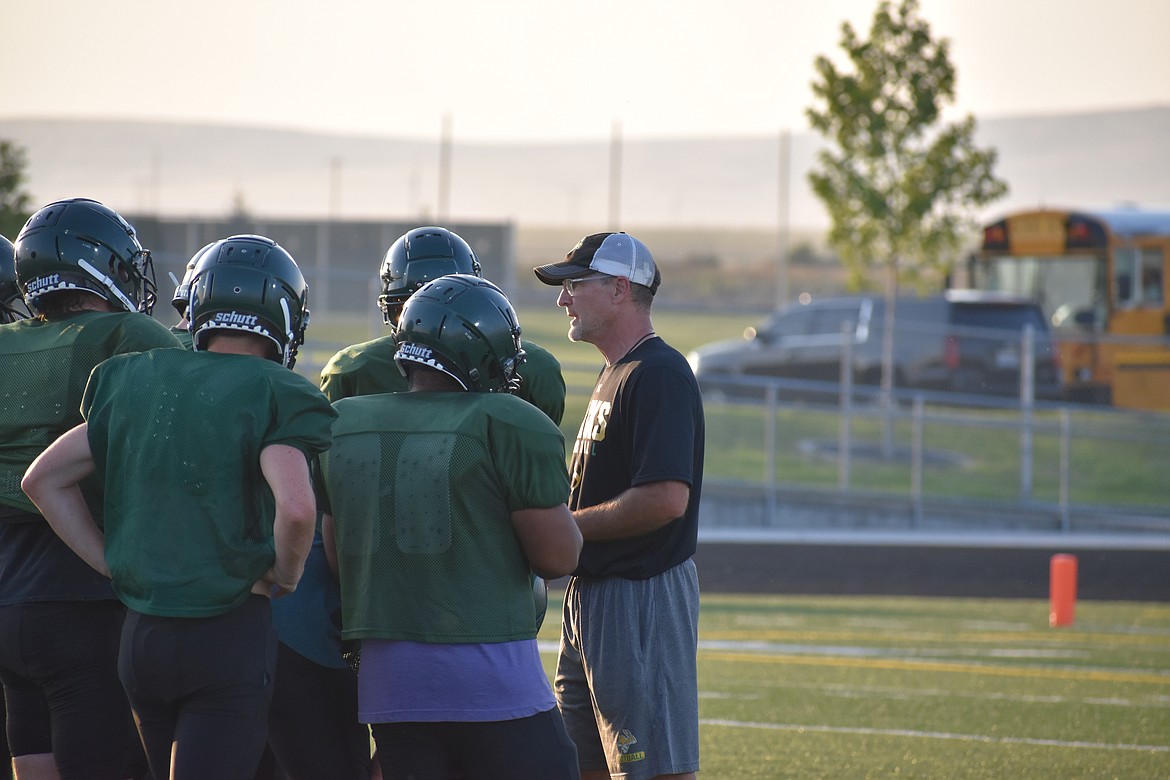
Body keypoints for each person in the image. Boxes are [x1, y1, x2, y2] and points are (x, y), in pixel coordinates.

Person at [21, 234, 336, 780]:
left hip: (141, 636)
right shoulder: (279, 389)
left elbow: (43, 479)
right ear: (284, 313)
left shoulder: (136, 375)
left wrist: (109, 559)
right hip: (227, 632)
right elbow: (298, 508)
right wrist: (282, 573)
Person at [320, 273, 583, 780]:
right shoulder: (508, 420)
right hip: (490, 678)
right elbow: (559, 557)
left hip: (389, 686)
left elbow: (336, 560)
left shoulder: (343, 422)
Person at [0, 198, 180, 780]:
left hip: (6, 596)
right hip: (82, 596)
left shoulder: (9, 343)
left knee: (35, 759)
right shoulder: (129, 334)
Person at [533, 232, 705, 780]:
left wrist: (565, 530)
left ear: (620, 289)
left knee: (649, 769)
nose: (563, 299)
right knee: (584, 766)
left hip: (639, 595)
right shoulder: (617, 371)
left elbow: (665, 498)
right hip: (594, 597)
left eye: (575, 285)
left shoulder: (658, 373)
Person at [320, 224, 565, 424]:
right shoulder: (354, 371)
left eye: (443, 315)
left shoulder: (354, 369)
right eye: (407, 313)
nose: (428, 329)